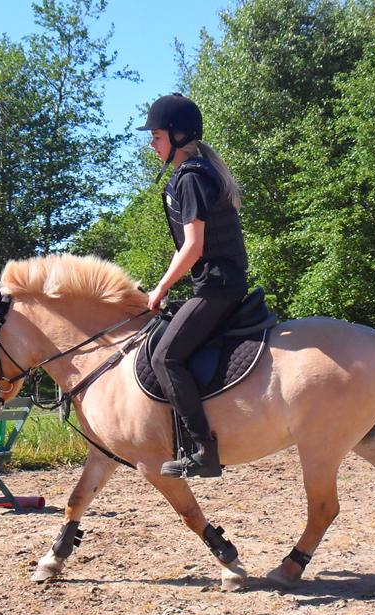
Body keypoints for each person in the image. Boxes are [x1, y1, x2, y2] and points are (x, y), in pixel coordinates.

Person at [137, 93, 249, 479]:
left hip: (219, 286)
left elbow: (194, 246)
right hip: (214, 283)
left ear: (178, 135)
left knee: (165, 356)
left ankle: (203, 448)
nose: (151, 144)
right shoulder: (193, 174)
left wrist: (161, 287)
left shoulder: (192, 178)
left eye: (156, 137)